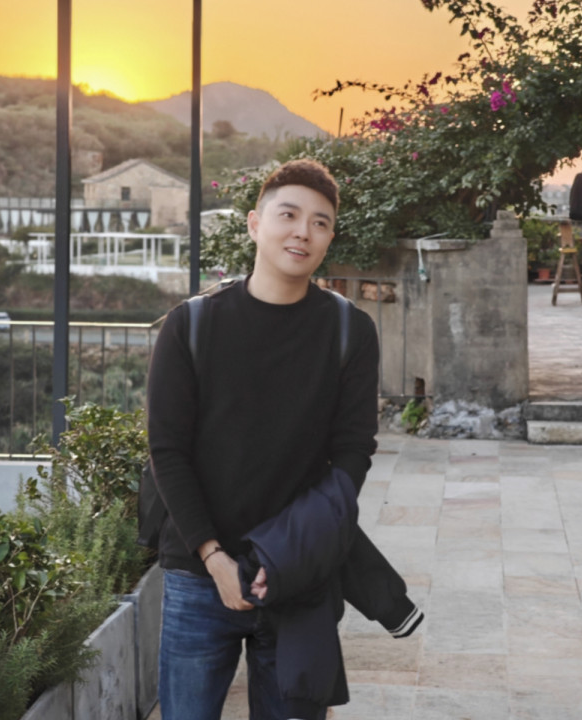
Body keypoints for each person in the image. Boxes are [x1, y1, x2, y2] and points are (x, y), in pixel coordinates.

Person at [147, 159, 420, 720]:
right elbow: (167, 450)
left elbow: (353, 449)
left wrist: (296, 549)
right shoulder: (191, 325)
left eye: (320, 223)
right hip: (199, 577)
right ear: (255, 224)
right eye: (289, 216)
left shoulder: (348, 330)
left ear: (330, 238)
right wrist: (214, 558)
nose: (303, 232)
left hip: (297, 576)